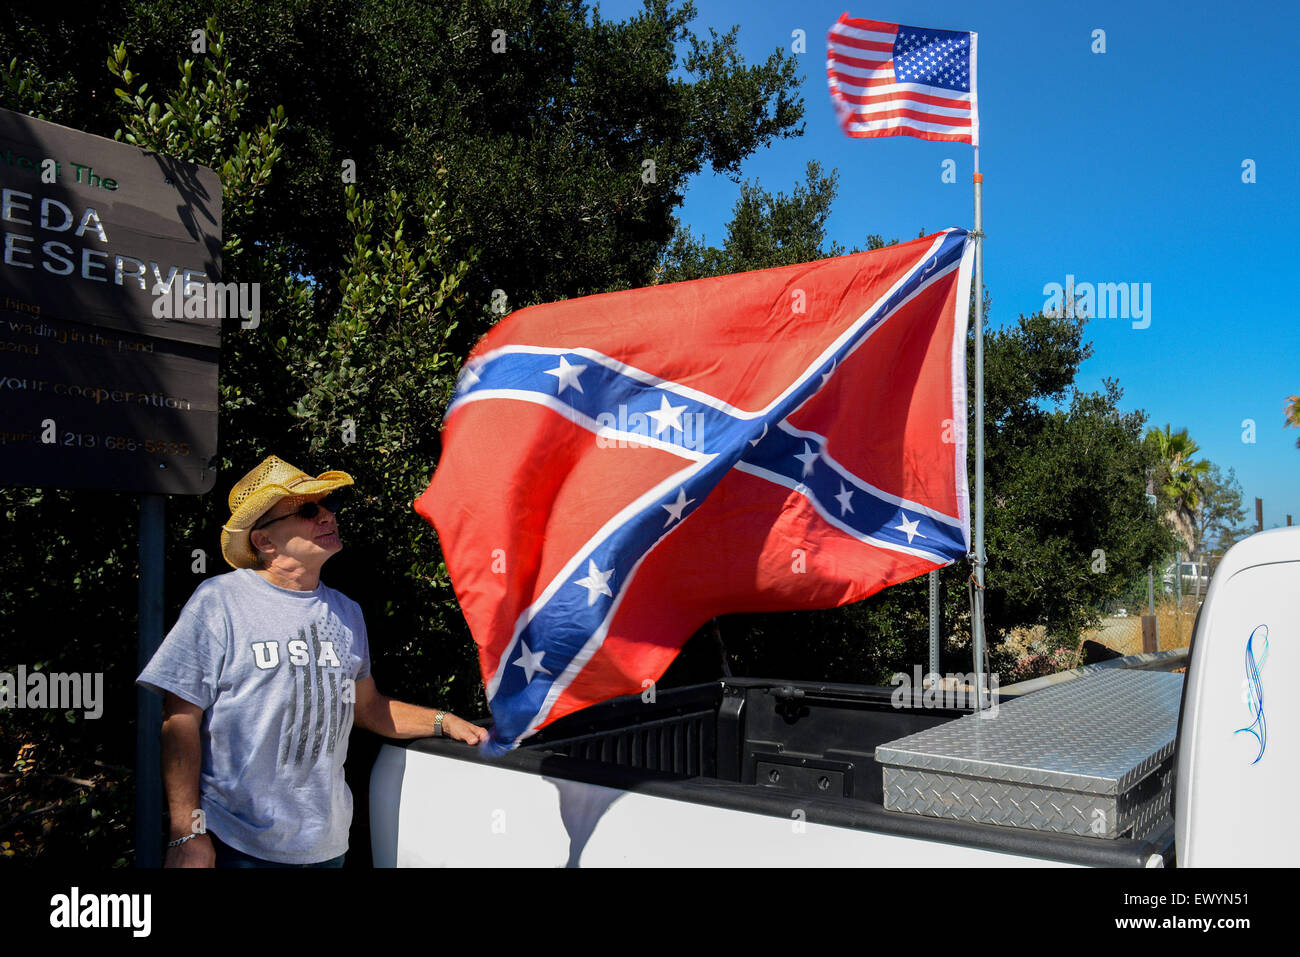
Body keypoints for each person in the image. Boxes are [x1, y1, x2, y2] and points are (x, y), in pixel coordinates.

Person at [137, 454, 488, 868]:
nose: (327, 516)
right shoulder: (220, 601)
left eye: (329, 506)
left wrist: (442, 721)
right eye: (307, 510)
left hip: (326, 846)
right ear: (264, 542)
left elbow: (369, 708)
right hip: (234, 842)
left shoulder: (347, 611)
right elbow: (179, 720)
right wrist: (187, 834)